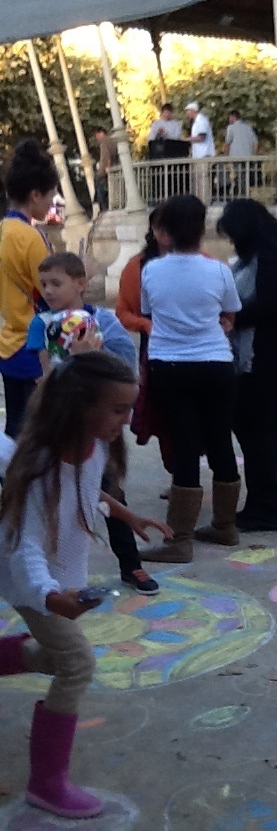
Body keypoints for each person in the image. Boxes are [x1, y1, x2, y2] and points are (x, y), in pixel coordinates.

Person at [0, 352, 171, 818]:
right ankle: (46, 783)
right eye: (117, 409)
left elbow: (88, 488)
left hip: (58, 579)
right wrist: (50, 597)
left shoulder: (92, 447)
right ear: (79, 406)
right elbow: (24, 547)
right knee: (76, 665)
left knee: (53, 657)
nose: (127, 419)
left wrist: (125, 513)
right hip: (30, 581)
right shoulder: (40, 465)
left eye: (129, 408)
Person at [26, 252, 159, 595]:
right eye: (44, 285)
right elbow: (46, 377)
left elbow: (123, 365)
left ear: (81, 283)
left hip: (97, 424)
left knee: (109, 489)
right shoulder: (42, 324)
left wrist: (92, 358)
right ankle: (49, 580)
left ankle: (132, 565)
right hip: (60, 425)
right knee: (56, 497)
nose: (49, 291)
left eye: (57, 283)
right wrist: (74, 363)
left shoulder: (103, 321)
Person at [141, 195, 241, 562]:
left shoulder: (151, 270)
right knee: (220, 444)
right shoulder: (219, 271)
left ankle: (179, 539)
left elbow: (149, 310)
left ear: (164, 232)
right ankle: (225, 526)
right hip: (216, 364)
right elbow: (230, 313)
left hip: (169, 364)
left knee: (185, 449)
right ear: (202, 230)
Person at [218, 199, 277, 532]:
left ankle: (266, 506)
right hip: (267, 356)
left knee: (256, 433)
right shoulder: (271, 254)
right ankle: (264, 502)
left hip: (267, 357)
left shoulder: (274, 259)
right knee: (260, 431)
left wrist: (232, 315)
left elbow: (269, 305)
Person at [0, 139, 55, 438]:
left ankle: (10, 482)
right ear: (35, 194)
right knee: (37, 433)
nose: (50, 203)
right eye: (49, 196)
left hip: (8, 343)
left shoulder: (4, 231)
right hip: (35, 347)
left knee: (14, 428)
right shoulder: (30, 237)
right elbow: (52, 290)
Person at [116, 207, 174, 479]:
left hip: (199, 352)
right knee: (162, 414)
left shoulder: (203, 262)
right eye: (160, 228)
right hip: (154, 350)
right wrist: (146, 325)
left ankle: (187, 478)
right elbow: (124, 312)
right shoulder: (137, 266)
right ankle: (178, 476)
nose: (165, 234)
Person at [93, 126, 118, 213]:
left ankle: (101, 205)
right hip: (115, 167)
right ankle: (98, 200)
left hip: (104, 170)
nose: (97, 138)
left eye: (97, 136)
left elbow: (106, 156)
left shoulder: (104, 142)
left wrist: (106, 168)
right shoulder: (113, 140)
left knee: (99, 184)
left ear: (100, 133)